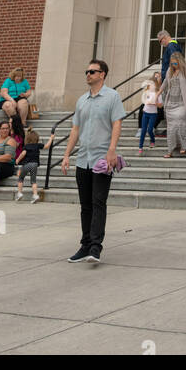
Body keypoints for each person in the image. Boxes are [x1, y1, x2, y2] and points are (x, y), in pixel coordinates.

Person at [61, 58, 125, 265]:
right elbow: (75, 130)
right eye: (87, 71)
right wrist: (66, 155)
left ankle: (96, 247)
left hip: (102, 159)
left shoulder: (112, 97)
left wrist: (112, 151)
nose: (88, 74)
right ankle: (85, 245)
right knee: (85, 205)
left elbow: (117, 124)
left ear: (102, 74)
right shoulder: (82, 101)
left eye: (92, 71)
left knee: (98, 202)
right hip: (83, 160)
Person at [160, 53, 186, 158]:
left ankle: (183, 145)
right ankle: (170, 150)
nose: (174, 65)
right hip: (170, 103)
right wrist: (158, 93)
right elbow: (164, 84)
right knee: (171, 128)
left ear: (180, 61)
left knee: (180, 124)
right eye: (172, 63)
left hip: (181, 103)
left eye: (175, 63)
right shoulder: (170, 70)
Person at [15, 125, 54, 203]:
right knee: (33, 181)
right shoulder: (38, 145)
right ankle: (35, 195)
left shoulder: (26, 146)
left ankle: (19, 193)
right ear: (37, 138)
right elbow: (46, 146)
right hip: (35, 164)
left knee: (21, 178)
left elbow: (23, 153)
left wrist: (18, 159)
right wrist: (51, 138)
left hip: (26, 165)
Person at [138, 73, 161, 153]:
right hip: (146, 112)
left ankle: (152, 140)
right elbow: (144, 100)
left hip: (153, 113)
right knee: (143, 130)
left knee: (150, 129)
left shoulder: (158, 93)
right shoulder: (146, 92)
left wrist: (155, 103)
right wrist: (145, 104)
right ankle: (140, 147)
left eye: (153, 84)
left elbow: (160, 105)